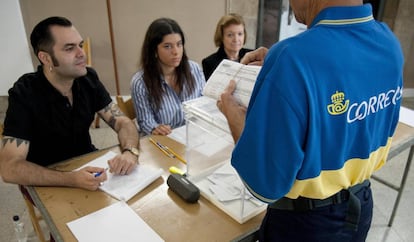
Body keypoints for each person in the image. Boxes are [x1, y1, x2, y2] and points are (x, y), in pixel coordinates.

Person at [217, 1, 403, 241]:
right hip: (360, 206)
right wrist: (279, 71)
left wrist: (234, 119)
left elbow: (263, 184)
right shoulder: (390, 44)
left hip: (304, 226)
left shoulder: (292, 58)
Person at [0, 16, 140, 192]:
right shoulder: (24, 93)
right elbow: (9, 168)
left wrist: (130, 152)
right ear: (45, 58)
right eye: (69, 48)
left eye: (80, 45)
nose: (82, 53)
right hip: (48, 180)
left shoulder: (88, 79)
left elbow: (122, 122)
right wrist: (72, 179)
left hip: (89, 166)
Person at [131, 18, 205, 136]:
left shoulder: (194, 69)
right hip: (164, 140)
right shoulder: (140, 82)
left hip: (194, 136)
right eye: (167, 46)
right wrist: (155, 128)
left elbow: (204, 103)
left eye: (179, 44)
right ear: (154, 50)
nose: (176, 52)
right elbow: (145, 121)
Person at [202, 13, 252, 80]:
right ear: (221, 37)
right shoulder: (209, 63)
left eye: (240, 34)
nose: (236, 39)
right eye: (230, 35)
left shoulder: (252, 56)